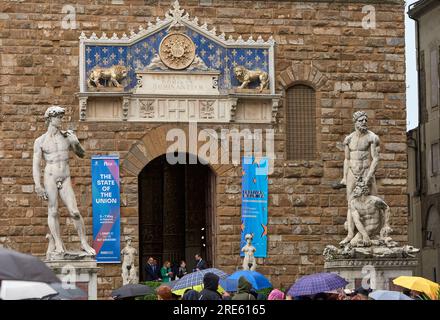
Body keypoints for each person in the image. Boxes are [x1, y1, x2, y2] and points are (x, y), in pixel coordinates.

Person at [33, 106, 95, 256]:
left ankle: (84, 243)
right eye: (58, 117)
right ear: (49, 119)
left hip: (65, 177)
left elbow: (82, 154)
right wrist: (38, 185)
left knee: (74, 211)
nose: (61, 119)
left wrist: (75, 142)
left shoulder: (67, 136)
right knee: (53, 211)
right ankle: (59, 244)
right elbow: (35, 165)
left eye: (61, 117)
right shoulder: (40, 141)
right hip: (50, 177)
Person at [338, 111, 380, 246]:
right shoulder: (349, 139)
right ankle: (350, 234)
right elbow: (346, 159)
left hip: (366, 171)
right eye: (361, 120)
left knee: (373, 200)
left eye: (365, 120)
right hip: (352, 172)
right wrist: (344, 177)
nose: (364, 122)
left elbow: (375, 159)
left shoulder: (372, 137)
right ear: (355, 122)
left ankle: (375, 232)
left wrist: (369, 176)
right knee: (351, 203)